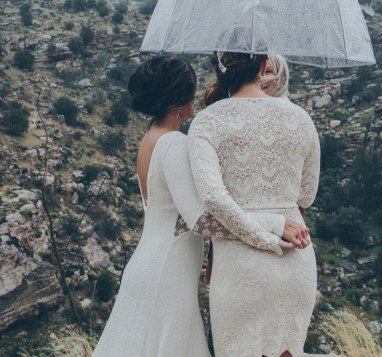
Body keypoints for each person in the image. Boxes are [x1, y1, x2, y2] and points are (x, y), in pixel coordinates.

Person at [93, 56, 308, 356]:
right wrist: (273, 225)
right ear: (178, 100)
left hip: (148, 262)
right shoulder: (174, 144)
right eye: (191, 90)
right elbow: (203, 220)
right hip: (169, 270)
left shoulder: (150, 140)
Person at [188, 51, 320, 357]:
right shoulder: (300, 118)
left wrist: (262, 237)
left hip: (239, 261)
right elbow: (307, 195)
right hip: (296, 256)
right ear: (263, 67)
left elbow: (212, 197)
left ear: (220, 71)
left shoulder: (208, 121)